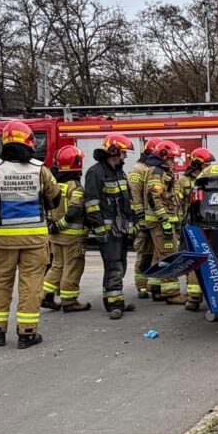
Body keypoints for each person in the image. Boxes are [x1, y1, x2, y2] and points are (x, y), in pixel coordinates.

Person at [0, 120, 61, 349]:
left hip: (3, 238)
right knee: (31, 284)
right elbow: (54, 199)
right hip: (35, 239)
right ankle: (27, 333)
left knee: (0, 283)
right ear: (29, 142)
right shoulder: (40, 169)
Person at [84, 133, 137, 320]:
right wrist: (99, 227)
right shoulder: (95, 172)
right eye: (123, 153)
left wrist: (131, 223)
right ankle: (115, 304)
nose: (125, 157)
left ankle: (112, 299)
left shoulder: (118, 172)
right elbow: (91, 202)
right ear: (113, 151)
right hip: (107, 229)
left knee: (120, 264)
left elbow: (126, 201)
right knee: (113, 265)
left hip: (119, 228)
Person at [41, 146, 91, 313]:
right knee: (73, 266)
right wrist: (62, 224)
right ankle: (69, 301)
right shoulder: (75, 186)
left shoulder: (55, 183)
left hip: (55, 236)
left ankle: (45, 295)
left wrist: (53, 226)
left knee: (57, 265)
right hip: (72, 237)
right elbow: (75, 210)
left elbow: (47, 205)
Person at [143, 139, 188, 304]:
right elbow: (153, 197)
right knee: (170, 255)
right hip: (161, 222)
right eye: (171, 158)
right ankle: (172, 293)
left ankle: (158, 289)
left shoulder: (161, 171)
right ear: (163, 156)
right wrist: (165, 221)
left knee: (159, 256)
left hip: (161, 222)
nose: (173, 162)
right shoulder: (157, 173)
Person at [175, 147, 215, 312]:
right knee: (193, 259)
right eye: (206, 165)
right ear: (198, 165)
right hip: (190, 225)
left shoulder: (209, 179)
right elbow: (177, 205)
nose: (208, 168)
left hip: (207, 223)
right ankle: (193, 298)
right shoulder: (183, 182)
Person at [128, 139, 164, 299]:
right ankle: (141, 286)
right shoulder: (138, 170)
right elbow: (135, 195)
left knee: (157, 252)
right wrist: (140, 218)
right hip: (143, 218)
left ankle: (154, 283)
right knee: (144, 252)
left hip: (155, 219)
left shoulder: (155, 169)